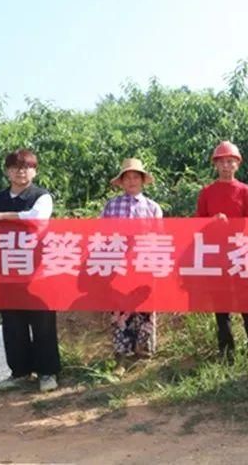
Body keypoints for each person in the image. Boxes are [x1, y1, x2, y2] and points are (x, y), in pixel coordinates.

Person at [0, 148, 61, 392]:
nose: (21, 171)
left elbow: (37, 220)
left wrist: (5, 216)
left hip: (37, 271)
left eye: (27, 166)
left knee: (42, 322)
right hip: (5, 270)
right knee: (13, 323)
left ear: (35, 170)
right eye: (15, 167)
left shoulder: (41, 196)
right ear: (7, 171)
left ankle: (47, 373)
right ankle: (20, 372)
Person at [195, 140, 248, 359]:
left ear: (237, 165)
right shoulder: (207, 192)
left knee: (247, 301)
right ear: (216, 165)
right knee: (221, 303)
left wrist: (233, 227)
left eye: (231, 161)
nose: (226, 165)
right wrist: (212, 222)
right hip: (217, 254)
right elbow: (198, 224)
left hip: (241, 253)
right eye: (222, 161)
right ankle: (226, 349)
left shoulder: (245, 191)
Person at [101, 158, 162, 369]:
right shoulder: (111, 206)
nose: (132, 181)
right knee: (120, 309)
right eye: (127, 178)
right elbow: (102, 235)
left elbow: (160, 238)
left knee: (144, 309)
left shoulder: (153, 208)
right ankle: (121, 356)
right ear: (122, 182)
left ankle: (143, 354)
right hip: (118, 267)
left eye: (136, 177)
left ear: (143, 181)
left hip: (143, 265)